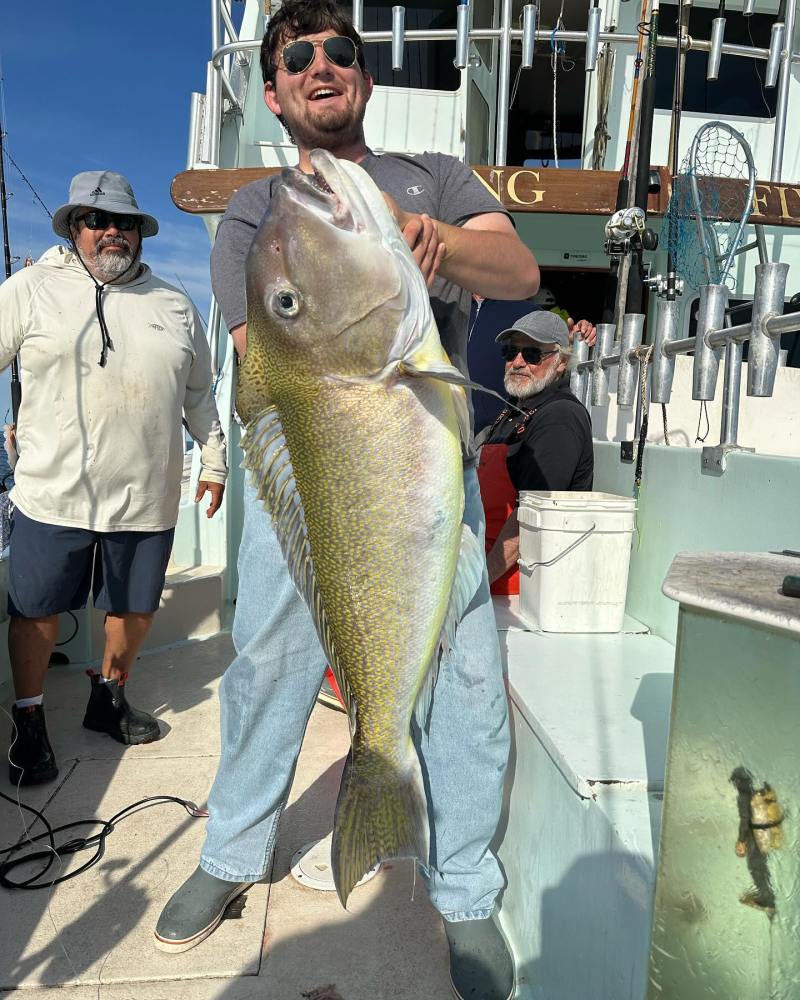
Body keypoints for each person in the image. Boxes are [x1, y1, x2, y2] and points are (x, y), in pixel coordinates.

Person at [155, 3, 538, 997]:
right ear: (277, 92)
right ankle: (231, 853)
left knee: (461, 680)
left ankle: (460, 888)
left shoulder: (433, 181)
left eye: (338, 52)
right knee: (268, 661)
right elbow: (259, 358)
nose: (320, 65)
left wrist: (433, 245)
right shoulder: (254, 210)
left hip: (421, 463)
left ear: (360, 79)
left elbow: (519, 267)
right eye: (297, 58)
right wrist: (352, 289)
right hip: (328, 464)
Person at [0, 171, 228, 787]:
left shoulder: (175, 305)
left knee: (133, 609)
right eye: (96, 221)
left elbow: (200, 397)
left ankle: (108, 699)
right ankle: (28, 720)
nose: (111, 233)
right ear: (74, 227)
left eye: (123, 222)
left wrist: (213, 459)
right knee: (35, 612)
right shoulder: (30, 289)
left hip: (146, 496)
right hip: (51, 494)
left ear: (140, 233)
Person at [478, 311, 594, 593]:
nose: (517, 362)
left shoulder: (559, 417)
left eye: (532, 354)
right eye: (511, 352)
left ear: (560, 362)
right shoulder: (514, 409)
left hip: (520, 590)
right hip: (489, 576)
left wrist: (474, 586)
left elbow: (530, 519)